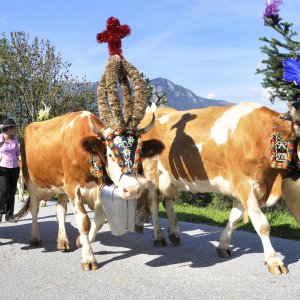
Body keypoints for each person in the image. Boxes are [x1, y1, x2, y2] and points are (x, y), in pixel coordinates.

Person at [0, 118, 20, 223]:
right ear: (8, 128)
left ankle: (9, 215)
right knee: (3, 191)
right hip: (2, 167)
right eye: (13, 127)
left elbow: (17, 152)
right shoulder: (0, 137)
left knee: (12, 192)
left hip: (14, 167)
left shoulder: (15, 138)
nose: (15, 128)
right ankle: (0, 212)